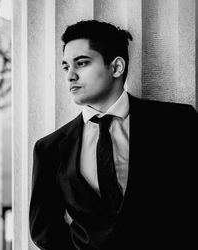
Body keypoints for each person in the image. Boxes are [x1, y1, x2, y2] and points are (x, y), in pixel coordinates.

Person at [29, 20, 198, 249]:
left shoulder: (176, 122)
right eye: (66, 67)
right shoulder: (49, 148)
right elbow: (43, 230)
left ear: (116, 67)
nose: (70, 75)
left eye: (82, 63)